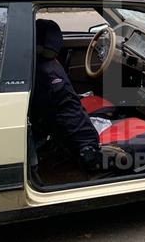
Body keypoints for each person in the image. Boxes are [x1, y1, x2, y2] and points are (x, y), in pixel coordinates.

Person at [31, 19, 103, 170]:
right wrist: (89, 144)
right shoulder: (52, 76)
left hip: (56, 129)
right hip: (84, 142)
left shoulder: (39, 63)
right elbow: (68, 110)